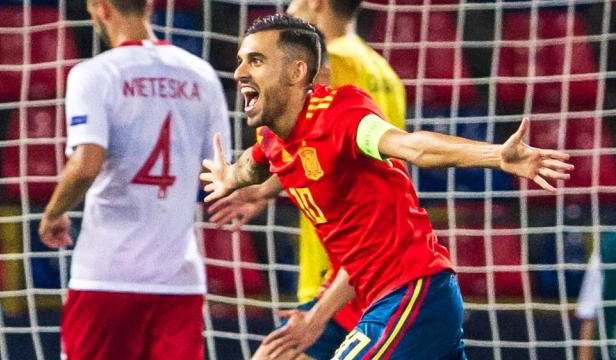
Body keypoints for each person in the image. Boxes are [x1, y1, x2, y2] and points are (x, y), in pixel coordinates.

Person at [200, 14, 573, 359]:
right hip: (374, 294)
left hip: (412, 289)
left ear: (298, 72)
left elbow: (413, 147)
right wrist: (230, 178)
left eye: (256, 60)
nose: (239, 72)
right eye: (240, 60)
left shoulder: (340, 113)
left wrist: (496, 156)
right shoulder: (275, 139)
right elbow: (254, 164)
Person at [208, 1, 406, 358]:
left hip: (341, 265)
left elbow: (316, 140)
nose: (288, 8)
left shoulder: (333, 64)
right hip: (372, 261)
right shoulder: (383, 71)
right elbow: (329, 152)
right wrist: (264, 190)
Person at [38, 0, 231, 359]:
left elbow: (86, 163)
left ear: (101, 7)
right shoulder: (201, 75)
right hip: (178, 278)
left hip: (107, 275)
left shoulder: (94, 73)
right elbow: (218, 173)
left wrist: (52, 213)